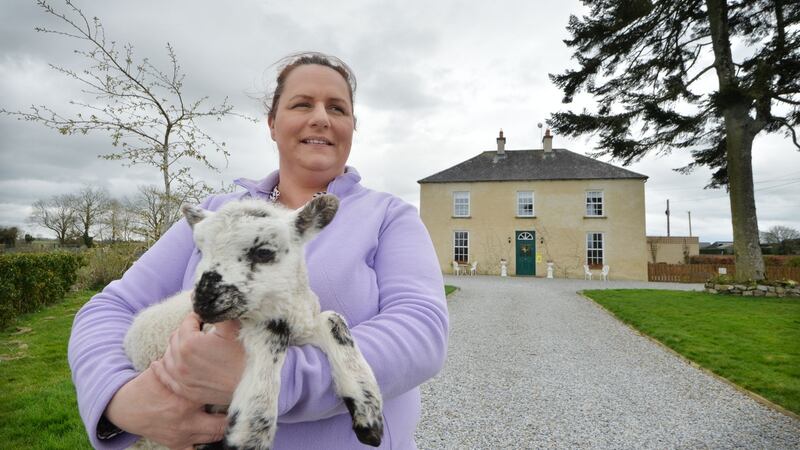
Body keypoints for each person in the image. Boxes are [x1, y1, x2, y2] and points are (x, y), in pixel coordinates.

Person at [68, 52, 449, 450]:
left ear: (352, 126)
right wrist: (120, 400)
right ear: (272, 123)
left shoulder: (388, 216)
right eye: (302, 104)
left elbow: (421, 329)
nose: (321, 117)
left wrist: (271, 377)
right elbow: (110, 308)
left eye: (337, 108)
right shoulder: (215, 215)